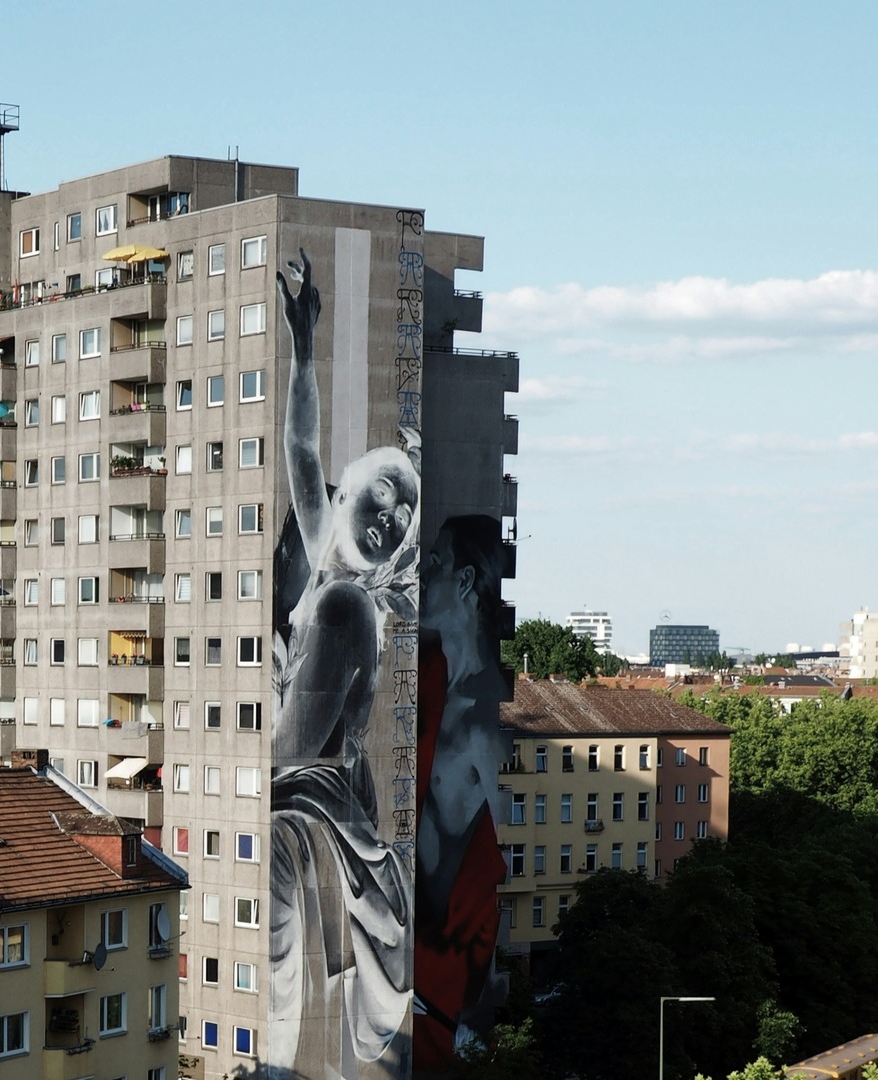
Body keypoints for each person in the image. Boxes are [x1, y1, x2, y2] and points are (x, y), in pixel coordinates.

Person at [266, 250, 422, 1080]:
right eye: (380, 498)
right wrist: (304, 346)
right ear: (348, 492)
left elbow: (292, 750)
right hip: (329, 798)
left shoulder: (341, 606)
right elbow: (299, 442)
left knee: (290, 953)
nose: (387, 519)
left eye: (399, 523)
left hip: (320, 796)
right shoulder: (328, 581)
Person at [409, 513, 509, 1061]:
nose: (423, 573)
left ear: (466, 581)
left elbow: (499, 875)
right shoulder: (425, 677)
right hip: (399, 963)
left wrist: (471, 1011)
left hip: (436, 993)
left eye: (436, 562)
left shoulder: (481, 725)